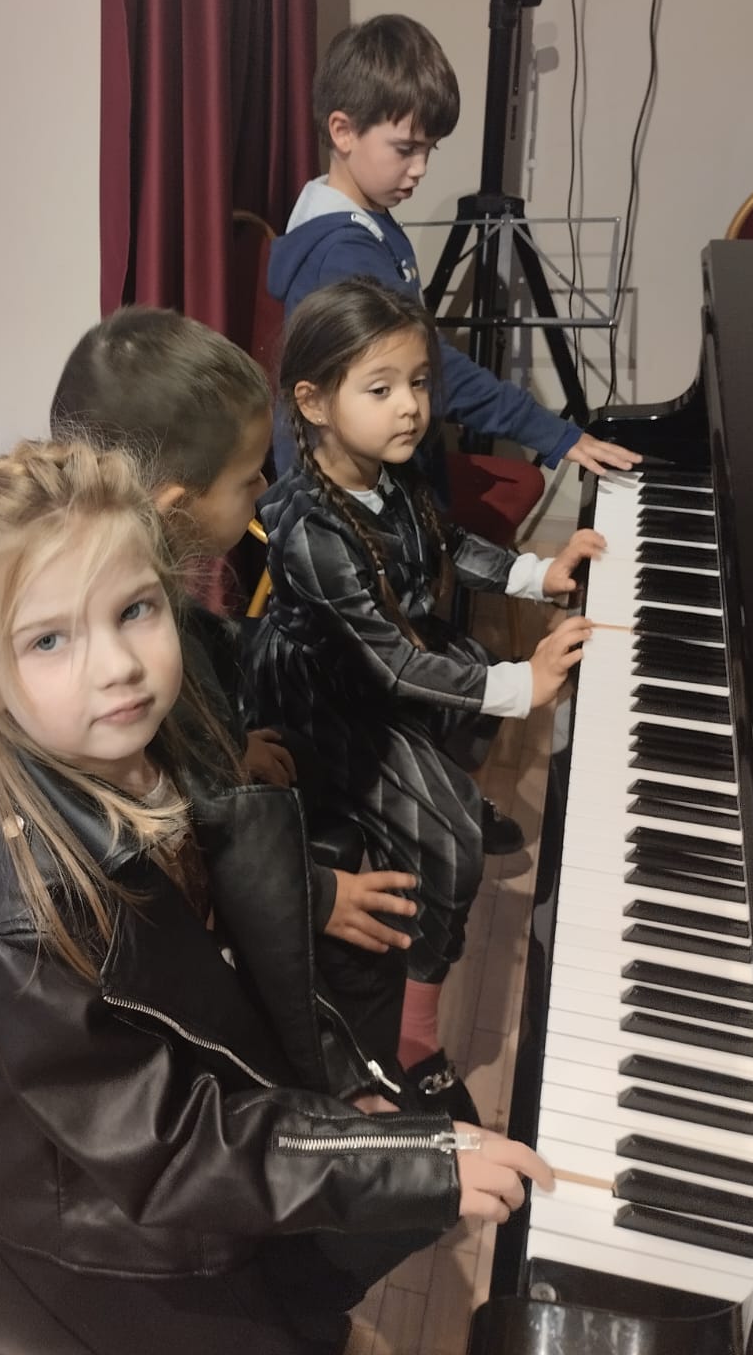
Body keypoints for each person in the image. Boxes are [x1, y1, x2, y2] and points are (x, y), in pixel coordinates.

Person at [0, 438, 553, 1355]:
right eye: (48, 639)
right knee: (355, 1241)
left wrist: (346, 1096)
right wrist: (392, 1157)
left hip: (180, 1101)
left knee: (397, 1163)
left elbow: (225, 956)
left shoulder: (132, 735)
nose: (118, 666)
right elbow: (167, 1150)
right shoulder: (23, 920)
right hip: (120, 1213)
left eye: (136, 610)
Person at [244, 280, 601, 1120]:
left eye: (417, 383)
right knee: (450, 842)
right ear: (314, 403)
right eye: (381, 389)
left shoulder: (387, 473)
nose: (410, 406)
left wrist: (535, 574)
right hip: (329, 698)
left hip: (385, 668)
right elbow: (392, 666)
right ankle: (411, 1039)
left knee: (459, 727)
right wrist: (519, 684)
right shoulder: (310, 528)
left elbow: (446, 544)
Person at [50, 305, 424, 967]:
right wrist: (316, 895)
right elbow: (212, 819)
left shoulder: (115, 587)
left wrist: (230, 742)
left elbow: (195, 735)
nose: (265, 486)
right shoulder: (134, 664)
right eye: (248, 475)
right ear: (174, 510)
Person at [267, 13, 640, 481]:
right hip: (346, 485)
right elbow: (435, 368)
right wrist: (554, 434)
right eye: (406, 149)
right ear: (343, 131)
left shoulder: (360, 216)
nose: (420, 168)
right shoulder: (342, 253)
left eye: (430, 150)